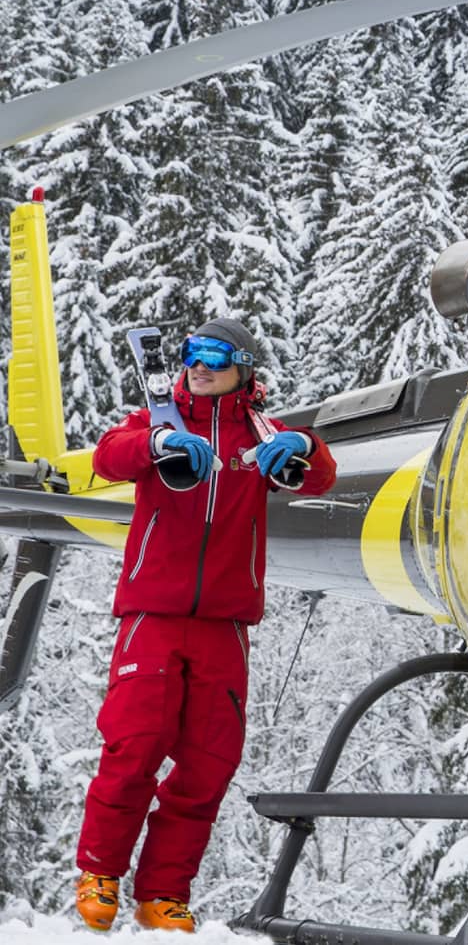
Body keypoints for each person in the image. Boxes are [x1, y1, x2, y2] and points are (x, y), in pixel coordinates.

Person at [74, 317, 337, 934]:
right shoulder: (159, 421)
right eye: (193, 353)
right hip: (154, 615)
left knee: (208, 761)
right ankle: (100, 872)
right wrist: (157, 445)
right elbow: (107, 457)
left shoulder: (261, 434)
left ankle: (163, 893)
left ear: (245, 368)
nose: (200, 363)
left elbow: (319, 475)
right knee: (135, 743)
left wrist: (302, 448)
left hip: (225, 623)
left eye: (217, 355)